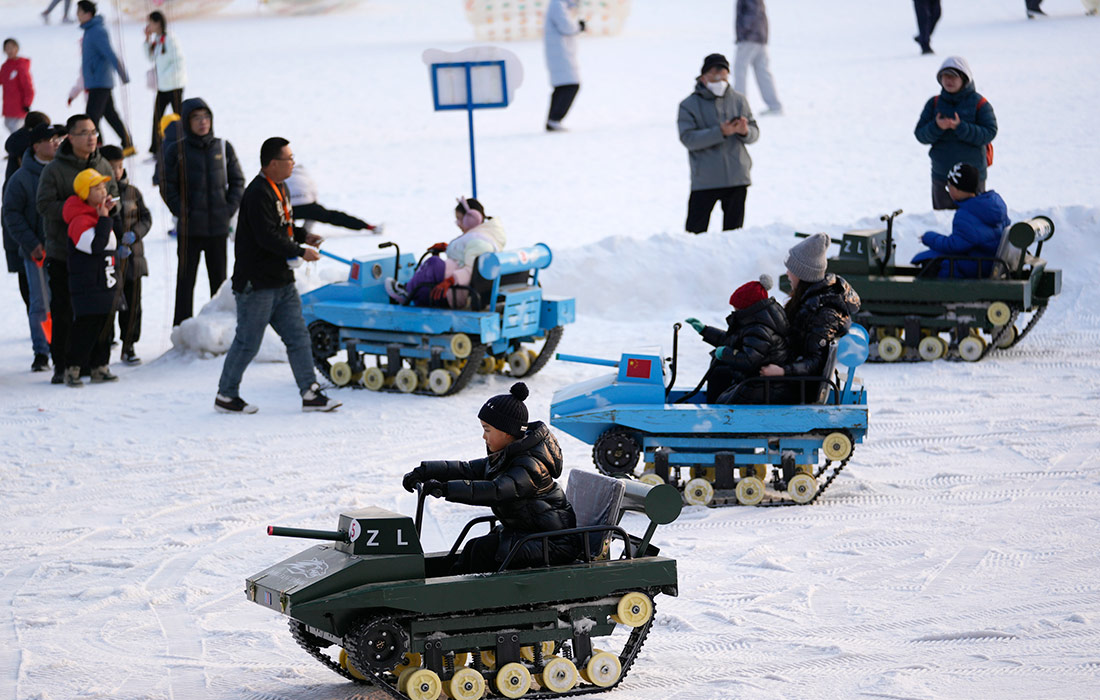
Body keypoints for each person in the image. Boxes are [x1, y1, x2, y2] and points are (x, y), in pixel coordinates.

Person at [214, 137, 341, 414]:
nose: (293, 163)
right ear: (273, 163)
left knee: (298, 337)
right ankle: (226, 395)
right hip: (256, 285)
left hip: (281, 282)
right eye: (289, 159)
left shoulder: (280, 187)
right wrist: (300, 250)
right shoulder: (257, 193)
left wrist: (304, 235)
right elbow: (267, 237)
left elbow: (282, 224)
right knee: (248, 343)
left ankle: (310, 392)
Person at [402, 382, 580, 574]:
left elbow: (497, 490)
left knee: (484, 551)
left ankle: (471, 599)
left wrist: (445, 489)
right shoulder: (506, 455)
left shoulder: (529, 465)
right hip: (531, 534)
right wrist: (425, 471)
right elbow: (467, 469)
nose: (483, 437)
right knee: (472, 547)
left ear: (507, 432)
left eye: (487, 430)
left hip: (554, 543)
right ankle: (448, 588)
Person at [37, 113, 118, 384]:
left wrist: (109, 209)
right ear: (70, 137)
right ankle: (63, 365)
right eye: (84, 132)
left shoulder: (103, 164)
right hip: (64, 252)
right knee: (64, 310)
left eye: (94, 131)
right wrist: (78, 211)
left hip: (100, 255)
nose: (91, 137)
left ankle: (97, 365)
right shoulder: (54, 169)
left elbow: (114, 195)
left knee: (101, 309)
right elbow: (44, 205)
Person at [163, 97, 245, 326]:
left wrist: (228, 209)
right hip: (190, 229)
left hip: (218, 227)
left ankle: (218, 328)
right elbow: (166, 185)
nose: (202, 122)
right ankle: (180, 328)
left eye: (206, 117)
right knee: (185, 282)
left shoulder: (222, 146)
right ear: (187, 122)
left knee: (219, 283)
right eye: (196, 118)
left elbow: (238, 181)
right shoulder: (176, 150)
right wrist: (182, 211)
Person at [760, 233, 861, 399]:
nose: (787, 273)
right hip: (793, 378)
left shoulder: (824, 313)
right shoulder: (809, 302)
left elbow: (815, 361)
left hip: (798, 387)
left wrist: (782, 371)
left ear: (803, 274)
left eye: (791, 270)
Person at [3, 123, 63, 373]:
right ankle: (42, 350)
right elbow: (11, 215)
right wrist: (32, 244)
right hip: (35, 252)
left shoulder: (63, 170)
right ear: (36, 145)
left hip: (63, 249)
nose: (55, 143)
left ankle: (63, 346)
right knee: (40, 302)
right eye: (49, 140)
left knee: (64, 299)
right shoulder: (20, 178)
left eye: (57, 139)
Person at [61, 168, 130, 387]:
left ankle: (100, 367)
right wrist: (103, 219)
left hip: (106, 280)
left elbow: (113, 240)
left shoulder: (100, 215)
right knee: (86, 327)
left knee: (105, 326)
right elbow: (94, 246)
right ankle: (72, 369)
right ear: (85, 193)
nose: (103, 191)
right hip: (89, 284)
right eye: (97, 188)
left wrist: (110, 215)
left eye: (103, 186)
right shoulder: (79, 221)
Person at [678, 53, 759, 233]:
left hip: (737, 177)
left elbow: (755, 133)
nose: (720, 81)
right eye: (716, 77)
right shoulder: (688, 105)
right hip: (706, 180)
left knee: (734, 235)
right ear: (704, 77)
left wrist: (744, 131)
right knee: (694, 233)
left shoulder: (738, 100)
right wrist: (721, 132)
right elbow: (688, 139)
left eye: (724, 76)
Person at [385, 197, 506, 308]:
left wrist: (449, 281)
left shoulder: (479, 242)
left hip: (456, 293)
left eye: (459, 219)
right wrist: (448, 248)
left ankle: (406, 292)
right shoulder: (482, 237)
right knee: (425, 284)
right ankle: (410, 289)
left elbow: (470, 271)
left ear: (471, 219)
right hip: (454, 289)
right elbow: (468, 255)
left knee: (434, 263)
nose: (458, 224)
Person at [685, 274, 788, 404]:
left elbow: (749, 359)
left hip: (763, 386)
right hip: (756, 379)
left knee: (720, 379)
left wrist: (725, 353)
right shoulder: (756, 322)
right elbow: (733, 340)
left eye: (736, 308)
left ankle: (716, 415)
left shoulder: (759, 329)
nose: (734, 311)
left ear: (747, 308)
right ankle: (713, 410)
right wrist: (705, 330)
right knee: (718, 370)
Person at [914, 56, 997, 210]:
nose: (948, 80)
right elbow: (920, 134)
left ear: (964, 79)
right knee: (943, 222)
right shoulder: (934, 104)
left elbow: (989, 132)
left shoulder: (980, 103)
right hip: (942, 176)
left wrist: (961, 127)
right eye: (945, 76)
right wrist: (937, 126)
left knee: (973, 221)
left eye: (953, 76)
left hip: (972, 178)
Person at [911, 162, 1010, 278]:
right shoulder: (991, 206)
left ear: (958, 189)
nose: (948, 190)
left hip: (979, 266)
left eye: (949, 187)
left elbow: (954, 246)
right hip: (989, 261)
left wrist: (929, 237)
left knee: (936, 264)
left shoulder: (966, 214)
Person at [101, 144, 151, 364]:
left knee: (133, 304)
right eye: (111, 167)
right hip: (110, 259)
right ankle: (106, 339)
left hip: (134, 258)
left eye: (119, 166)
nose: (116, 171)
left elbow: (146, 218)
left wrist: (136, 234)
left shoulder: (133, 192)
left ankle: (129, 344)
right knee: (110, 302)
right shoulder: (99, 195)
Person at [3, 111, 49, 335]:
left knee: (31, 289)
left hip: (18, 233)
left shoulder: (17, 149)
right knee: (33, 290)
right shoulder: (26, 153)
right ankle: (41, 335)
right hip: (25, 231)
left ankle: (42, 332)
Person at [76, 1, 134, 155]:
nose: (77, 16)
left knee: (91, 117)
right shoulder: (90, 30)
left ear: (88, 14)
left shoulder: (97, 31)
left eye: (80, 12)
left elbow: (109, 53)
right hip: (96, 80)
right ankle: (127, 144)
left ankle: (96, 147)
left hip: (100, 81)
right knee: (110, 114)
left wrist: (122, 73)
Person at [285, 163, 376, 233]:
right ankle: (367, 226)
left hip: (290, 207)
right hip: (309, 205)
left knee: (284, 220)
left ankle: (291, 232)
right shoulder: (306, 177)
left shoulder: (282, 175)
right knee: (332, 216)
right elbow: (314, 197)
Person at [143, 11, 185, 156]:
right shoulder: (157, 39)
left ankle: (183, 144)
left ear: (158, 23)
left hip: (174, 85)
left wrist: (165, 76)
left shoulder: (170, 39)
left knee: (179, 116)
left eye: (150, 23)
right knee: (157, 117)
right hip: (162, 87)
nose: (148, 26)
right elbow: (150, 57)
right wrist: (147, 40)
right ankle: (156, 148)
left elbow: (178, 62)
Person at [734, 0, 782, 116]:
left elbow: (752, 12)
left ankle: (740, 109)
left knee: (740, 70)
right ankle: (775, 106)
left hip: (749, 38)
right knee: (762, 72)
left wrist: (745, 32)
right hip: (760, 37)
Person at [543, 0, 584, 131]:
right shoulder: (557, 3)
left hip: (561, 53)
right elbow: (565, 26)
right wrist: (578, 27)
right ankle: (554, 119)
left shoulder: (561, 4)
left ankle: (553, 120)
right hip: (560, 53)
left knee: (563, 86)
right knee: (570, 85)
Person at [1, 39, 35, 133]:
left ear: (17, 49)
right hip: (8, 106)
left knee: (17, 129)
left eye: (12, 47)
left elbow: (28, 87)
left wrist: (27, 102)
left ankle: (23, 146)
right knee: (8, 124)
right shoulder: (5, 66)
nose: (10, 50)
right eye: (7, 48)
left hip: (19, 106)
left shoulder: (21, 66)